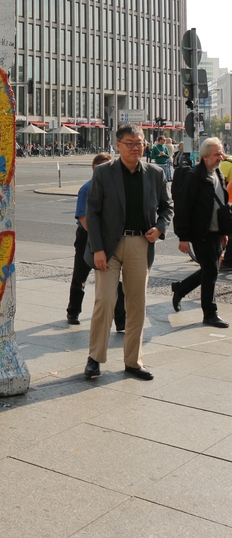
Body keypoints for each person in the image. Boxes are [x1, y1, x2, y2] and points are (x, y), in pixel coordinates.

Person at [84, 124, 173, 381]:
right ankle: (95, 358)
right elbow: (93, 212)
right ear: (118, 145)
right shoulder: (104, 172)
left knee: (136, 304)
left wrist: (160, 227)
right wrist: (98, 249)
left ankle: (133, 361)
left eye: (140, 143)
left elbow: (167, 206)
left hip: (140, 244)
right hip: (108, 247)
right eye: (130, 143)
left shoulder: (155, 173)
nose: (136, 148)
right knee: (105, 301)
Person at [172, 138, 230, 327]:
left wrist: (224, 231)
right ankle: (210, 314)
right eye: (217, 154)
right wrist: (183, 237)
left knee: (209, 268)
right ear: (205, 156)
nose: (221, 157)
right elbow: (183, 208)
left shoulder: (218, 172)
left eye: (221, 153)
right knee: (211, 270)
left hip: (215, 232)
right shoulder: (194, 176)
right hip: (200, 233)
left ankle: (180, 289)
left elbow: (221, 204)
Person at [66, 153, 125, 329]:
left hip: (109, 237)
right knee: (80, 275)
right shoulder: (87, 188)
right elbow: (83, 217)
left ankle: (121, 320)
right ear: (94, 169)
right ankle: (73, 311)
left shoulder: (115, 188)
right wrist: (97, 238)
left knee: (114, 278)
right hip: (87, 236)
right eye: (101, 167)